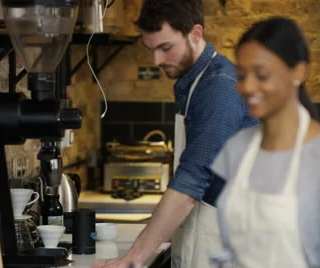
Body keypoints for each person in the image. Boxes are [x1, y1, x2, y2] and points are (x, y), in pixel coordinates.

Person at [93, 0, 258, 267]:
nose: (157, 60)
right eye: (151, 49)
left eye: (165, 48)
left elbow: (189, 184)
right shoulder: (196, 82)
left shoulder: (218, 89)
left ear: (195, 34)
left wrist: (132, 260)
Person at [210, 16, 320, 268]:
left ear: (299, 72)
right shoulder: (237, 149)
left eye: (262, 75)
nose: (247, 86)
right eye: (242, 75)